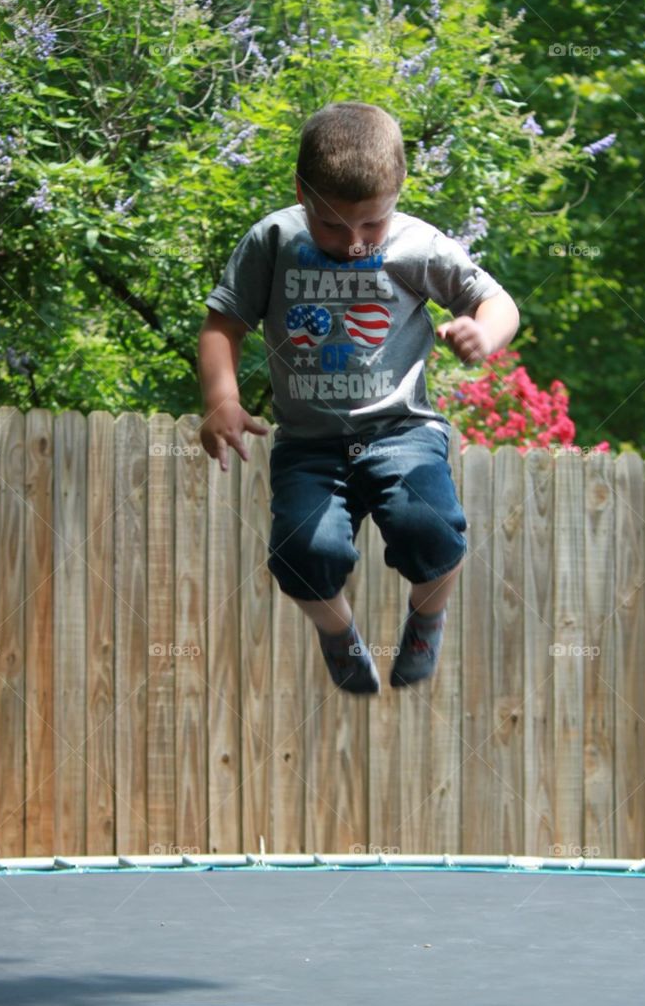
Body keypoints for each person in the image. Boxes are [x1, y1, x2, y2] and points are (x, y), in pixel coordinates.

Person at [198, 101, 519, 695]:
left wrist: (485, 332)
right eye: (332, 226)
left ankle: (426, 620)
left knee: (432, 534)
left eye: (371, 225)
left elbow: (498, 303)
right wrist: (222, 398)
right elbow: (223, 324)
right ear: (301, 192)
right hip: (310, 443)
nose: (352, 242)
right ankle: (339, 634)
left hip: (402, 432)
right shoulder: (273, 239)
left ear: (397, 191)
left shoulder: (420, 246)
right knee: (302, 554)